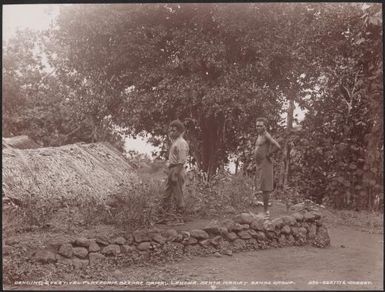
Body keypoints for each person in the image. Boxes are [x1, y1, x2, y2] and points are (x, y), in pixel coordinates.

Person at [162, 119, 189, 224]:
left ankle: (180, 217)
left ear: (179, 131)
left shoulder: (181, 143)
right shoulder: (175, 142)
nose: (171, 132)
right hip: (172, 168)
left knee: (178, 193)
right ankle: (164, 215)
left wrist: (176, 173)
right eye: (170, 130)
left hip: (177, 169)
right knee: (166, 193)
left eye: (174, 130)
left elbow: (182, 160)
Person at [253, 117, 281, 218]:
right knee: (262, 187)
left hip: (266, 163)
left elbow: (277, 146)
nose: (258, 127)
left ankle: (266, 212)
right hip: (260, 164)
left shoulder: (266, 135)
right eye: (257, 125)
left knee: (266, 188)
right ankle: (265, 211)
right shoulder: (259, 135)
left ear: (265, 126)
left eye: (260, 125)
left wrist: (269, 154)